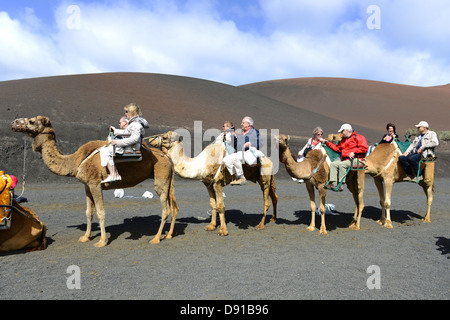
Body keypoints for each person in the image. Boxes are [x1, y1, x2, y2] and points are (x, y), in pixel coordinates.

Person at [100, 103, 149, 184]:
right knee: (105, 149)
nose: (125, 114)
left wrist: (117, 142)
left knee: (105, 151)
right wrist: (115, 131)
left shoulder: (136, 124)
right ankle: (114, 174)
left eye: (126, 111)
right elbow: (127, 132)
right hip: (129, 146)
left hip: (131, 148)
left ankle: (113, 174)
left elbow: (134, 139)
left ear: (131, 112)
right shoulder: (133, 123)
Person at [320, 124, 368, 191]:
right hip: (346, 159)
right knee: (333, 164)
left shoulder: (359, 137)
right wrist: (327, 143)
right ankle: (333, 184)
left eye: (342, 131)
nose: (341, 133)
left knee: (342, 165)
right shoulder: (343, 140)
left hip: (357, 159)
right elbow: (337, 149)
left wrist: (354, 152)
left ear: (347, 130)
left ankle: (340, 185)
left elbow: (364, 148)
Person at [223, 116, 264, 186]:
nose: (241, 124)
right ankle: (236, 176)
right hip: (240, 153)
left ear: (248, 124)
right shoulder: (241, 133)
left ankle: (242, 178)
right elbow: (235, 144)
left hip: (249, 153)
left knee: (234, 158)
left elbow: (261, 143)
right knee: (226, 160)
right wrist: (232, 135)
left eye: (243, 123)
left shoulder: (255, 132)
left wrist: (251, 144)